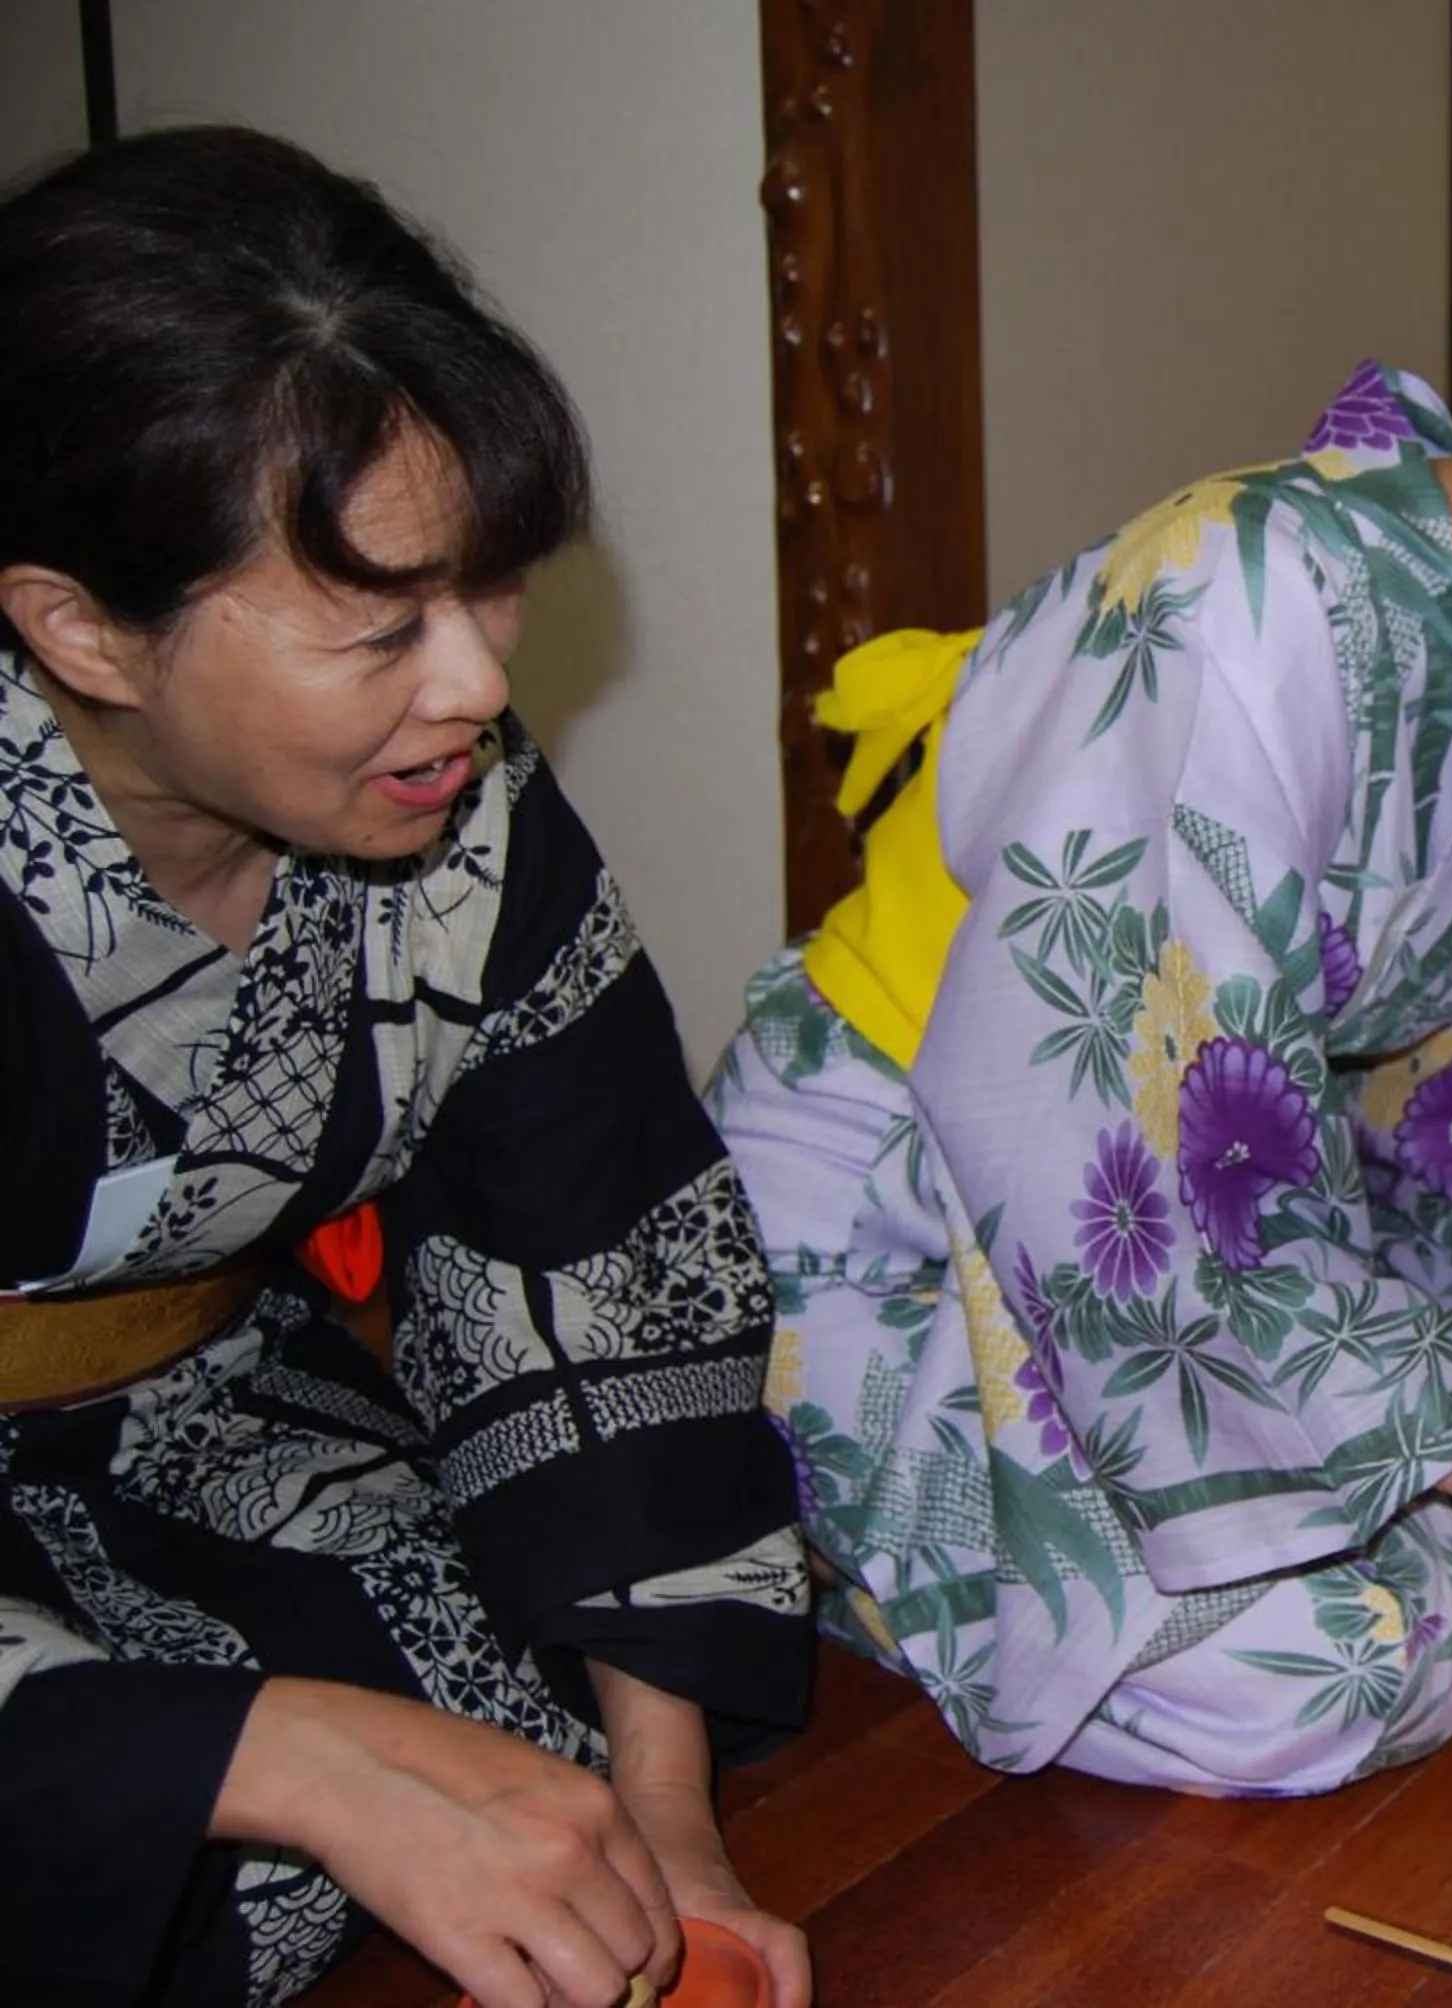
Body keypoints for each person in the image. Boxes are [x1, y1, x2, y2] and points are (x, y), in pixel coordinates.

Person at [710, 111, 1452, 1794]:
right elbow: (1123, 1162)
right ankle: (819, 1516)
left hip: (1187, 1256)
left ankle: (1113, 1574)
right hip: (911, 1198)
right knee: (1303, 1684)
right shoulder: (1244, 599)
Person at [0, 129, 813, 2007]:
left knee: (540, 1767)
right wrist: (272, 1756)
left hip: (202, 1416)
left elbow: (598, 1271)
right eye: (379, 628)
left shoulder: (455, 802)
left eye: (488, 588)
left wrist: (667, 1824)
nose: (468, 685)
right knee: (185, 1867)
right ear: (78, 627)